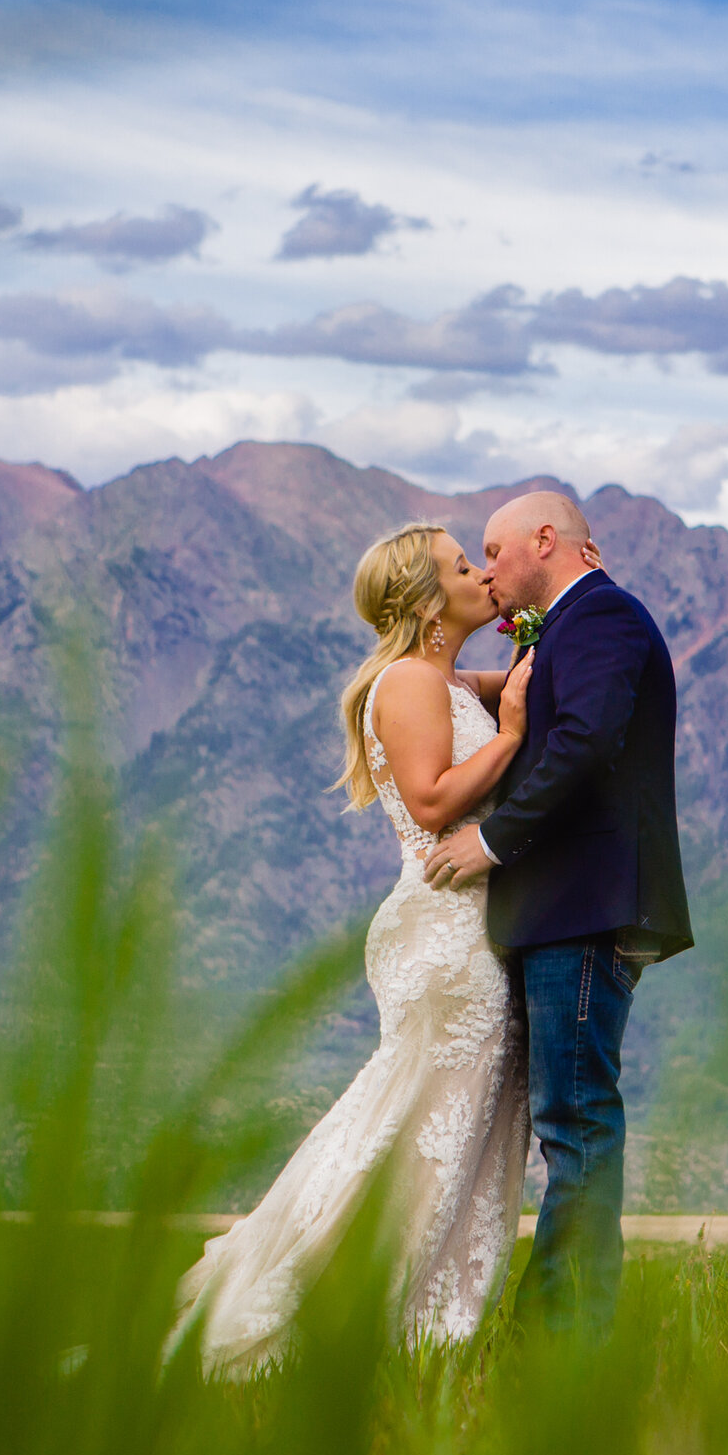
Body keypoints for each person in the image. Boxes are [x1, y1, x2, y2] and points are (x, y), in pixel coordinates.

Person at [168, 522, 536, 1377]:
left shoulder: (441, 678)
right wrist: (511, 739)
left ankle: (421, 1311)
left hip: (471, 928)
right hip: (451, 936)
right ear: (422, 601)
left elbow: (524, 688)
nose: (480, 572)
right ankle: (373, 1312)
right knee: (419, 1125)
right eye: (460, 565)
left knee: (441, 1123)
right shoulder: (409, 680)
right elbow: (435, 800)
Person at [422, 491, 692, 1336]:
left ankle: (560, 1335)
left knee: (575, 1125)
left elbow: (585, 739)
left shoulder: (603, 614)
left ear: (548, 540)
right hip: (564, 911)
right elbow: (558, 708)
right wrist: (463, 683)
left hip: (584, 908)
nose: (489, 569)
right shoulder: (572, 626)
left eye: (496, 551)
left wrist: (490, 841)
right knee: (568, 1124)